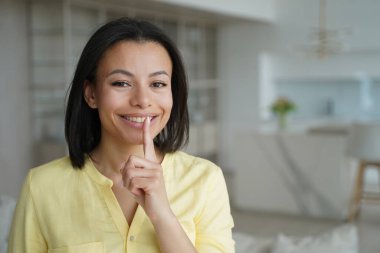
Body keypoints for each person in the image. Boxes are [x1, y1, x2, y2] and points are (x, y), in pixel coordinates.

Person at [8, 17, 234, 253]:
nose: (143, 101)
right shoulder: (41, 186)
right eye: (122, 83)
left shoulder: (206, 180)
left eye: (157, 84)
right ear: (91, 94)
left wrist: (162, 216)